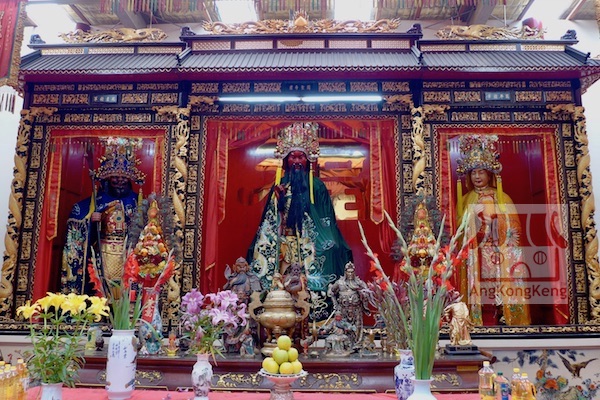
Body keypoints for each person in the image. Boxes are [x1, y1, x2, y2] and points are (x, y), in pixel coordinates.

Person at [248, 122, 353, 321]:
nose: (297, 161)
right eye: (293, 157)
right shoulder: (280, 185)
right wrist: (278, 202)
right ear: (286, 160)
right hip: (282, 242)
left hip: (309, 241)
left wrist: (327, 239)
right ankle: (273, 310)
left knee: (332, 248)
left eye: (301, 157)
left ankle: (317, 314)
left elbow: (325, 218)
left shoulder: (317, 186)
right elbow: (270, 221)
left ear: (307, 160)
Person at [455, 134, 530, 326]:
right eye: (473, 173)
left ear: (489, 174)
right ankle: (478, 318)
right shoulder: (466, 199)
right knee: (480, 287)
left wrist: (496, 224)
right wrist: (472, 219)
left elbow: (514, 229)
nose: (477, 177)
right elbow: (459, 231)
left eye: (481, 172)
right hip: (477, 253)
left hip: (498, 251)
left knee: (499, 282)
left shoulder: (502, 197)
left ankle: (505, 315)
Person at [61, 137, 145, 295]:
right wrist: (91, 222)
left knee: (126, 289)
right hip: (103, 252)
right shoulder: (96, 201)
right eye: (115, 178)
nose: (120, 181)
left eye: (123, 178)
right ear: (108, 179)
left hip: (128, 253)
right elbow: (78, 223)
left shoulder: (137, 201)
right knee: (102, 287)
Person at [328, 262, 370, 347]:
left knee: (357, 326)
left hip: (356, 309)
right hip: (343, 309)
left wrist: (363, 295)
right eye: (348, 272)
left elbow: (367, 292)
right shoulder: (340, 283)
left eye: (352, 272)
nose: (350, 274)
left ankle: (357, 344)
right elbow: (331, 292)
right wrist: (335, 304)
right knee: (344, 326)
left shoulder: (359, 283)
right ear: (345, 272)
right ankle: (346, 345)